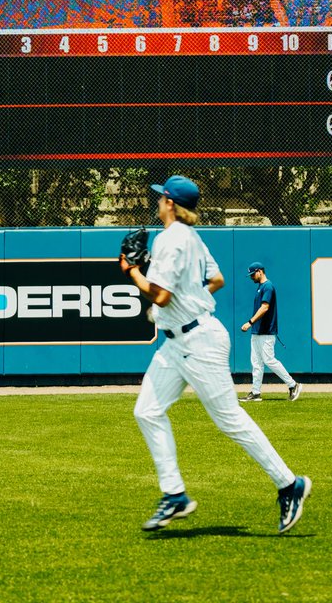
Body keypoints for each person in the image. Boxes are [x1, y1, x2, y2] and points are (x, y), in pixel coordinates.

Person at [121, 175, 310, 535]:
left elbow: (159, 296)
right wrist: (189, 297)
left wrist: (130, 270)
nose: (158, 202)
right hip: (178, 342)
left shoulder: (169, 240)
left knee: (230, 420)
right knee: (146, 410)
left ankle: (290, 485)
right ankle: (174, 494)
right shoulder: (192, 239)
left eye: (162, 198)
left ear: (171, 205)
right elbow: (218, 279)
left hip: (198, 343)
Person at [240, 262, 302, 403]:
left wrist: (249, 323)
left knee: (269, 360)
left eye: (253, 274)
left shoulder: (268, 286)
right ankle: (256, 393)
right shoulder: (260, 287)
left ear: (260, 271)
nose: (251, 277)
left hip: (266, 331)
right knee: (256, 363)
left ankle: (293, 385)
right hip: (258, 332)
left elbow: (265, 308)